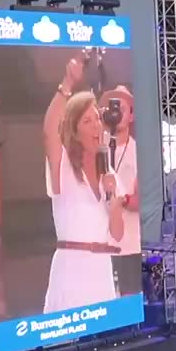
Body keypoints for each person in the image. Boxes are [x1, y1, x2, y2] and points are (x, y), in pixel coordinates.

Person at [41, 55, 126, 314]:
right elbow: (48, 131)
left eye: (96, 119)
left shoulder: (108, 170)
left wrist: (113, 202)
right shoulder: (63, 165)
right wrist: (67, 84)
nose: (95, 126)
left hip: (101, 274)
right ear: (74, 130)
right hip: (71, 272)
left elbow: (119, 233)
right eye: (87, 121)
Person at [100, 85, 141, 296]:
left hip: (130, 247)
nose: (117, 112)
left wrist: (121, 200)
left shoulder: (139, 152)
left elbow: (143, 201)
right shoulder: (98, 147)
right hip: (99, 243)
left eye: (122, 107)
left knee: (128, 300)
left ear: (132, 116)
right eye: (114, 107)